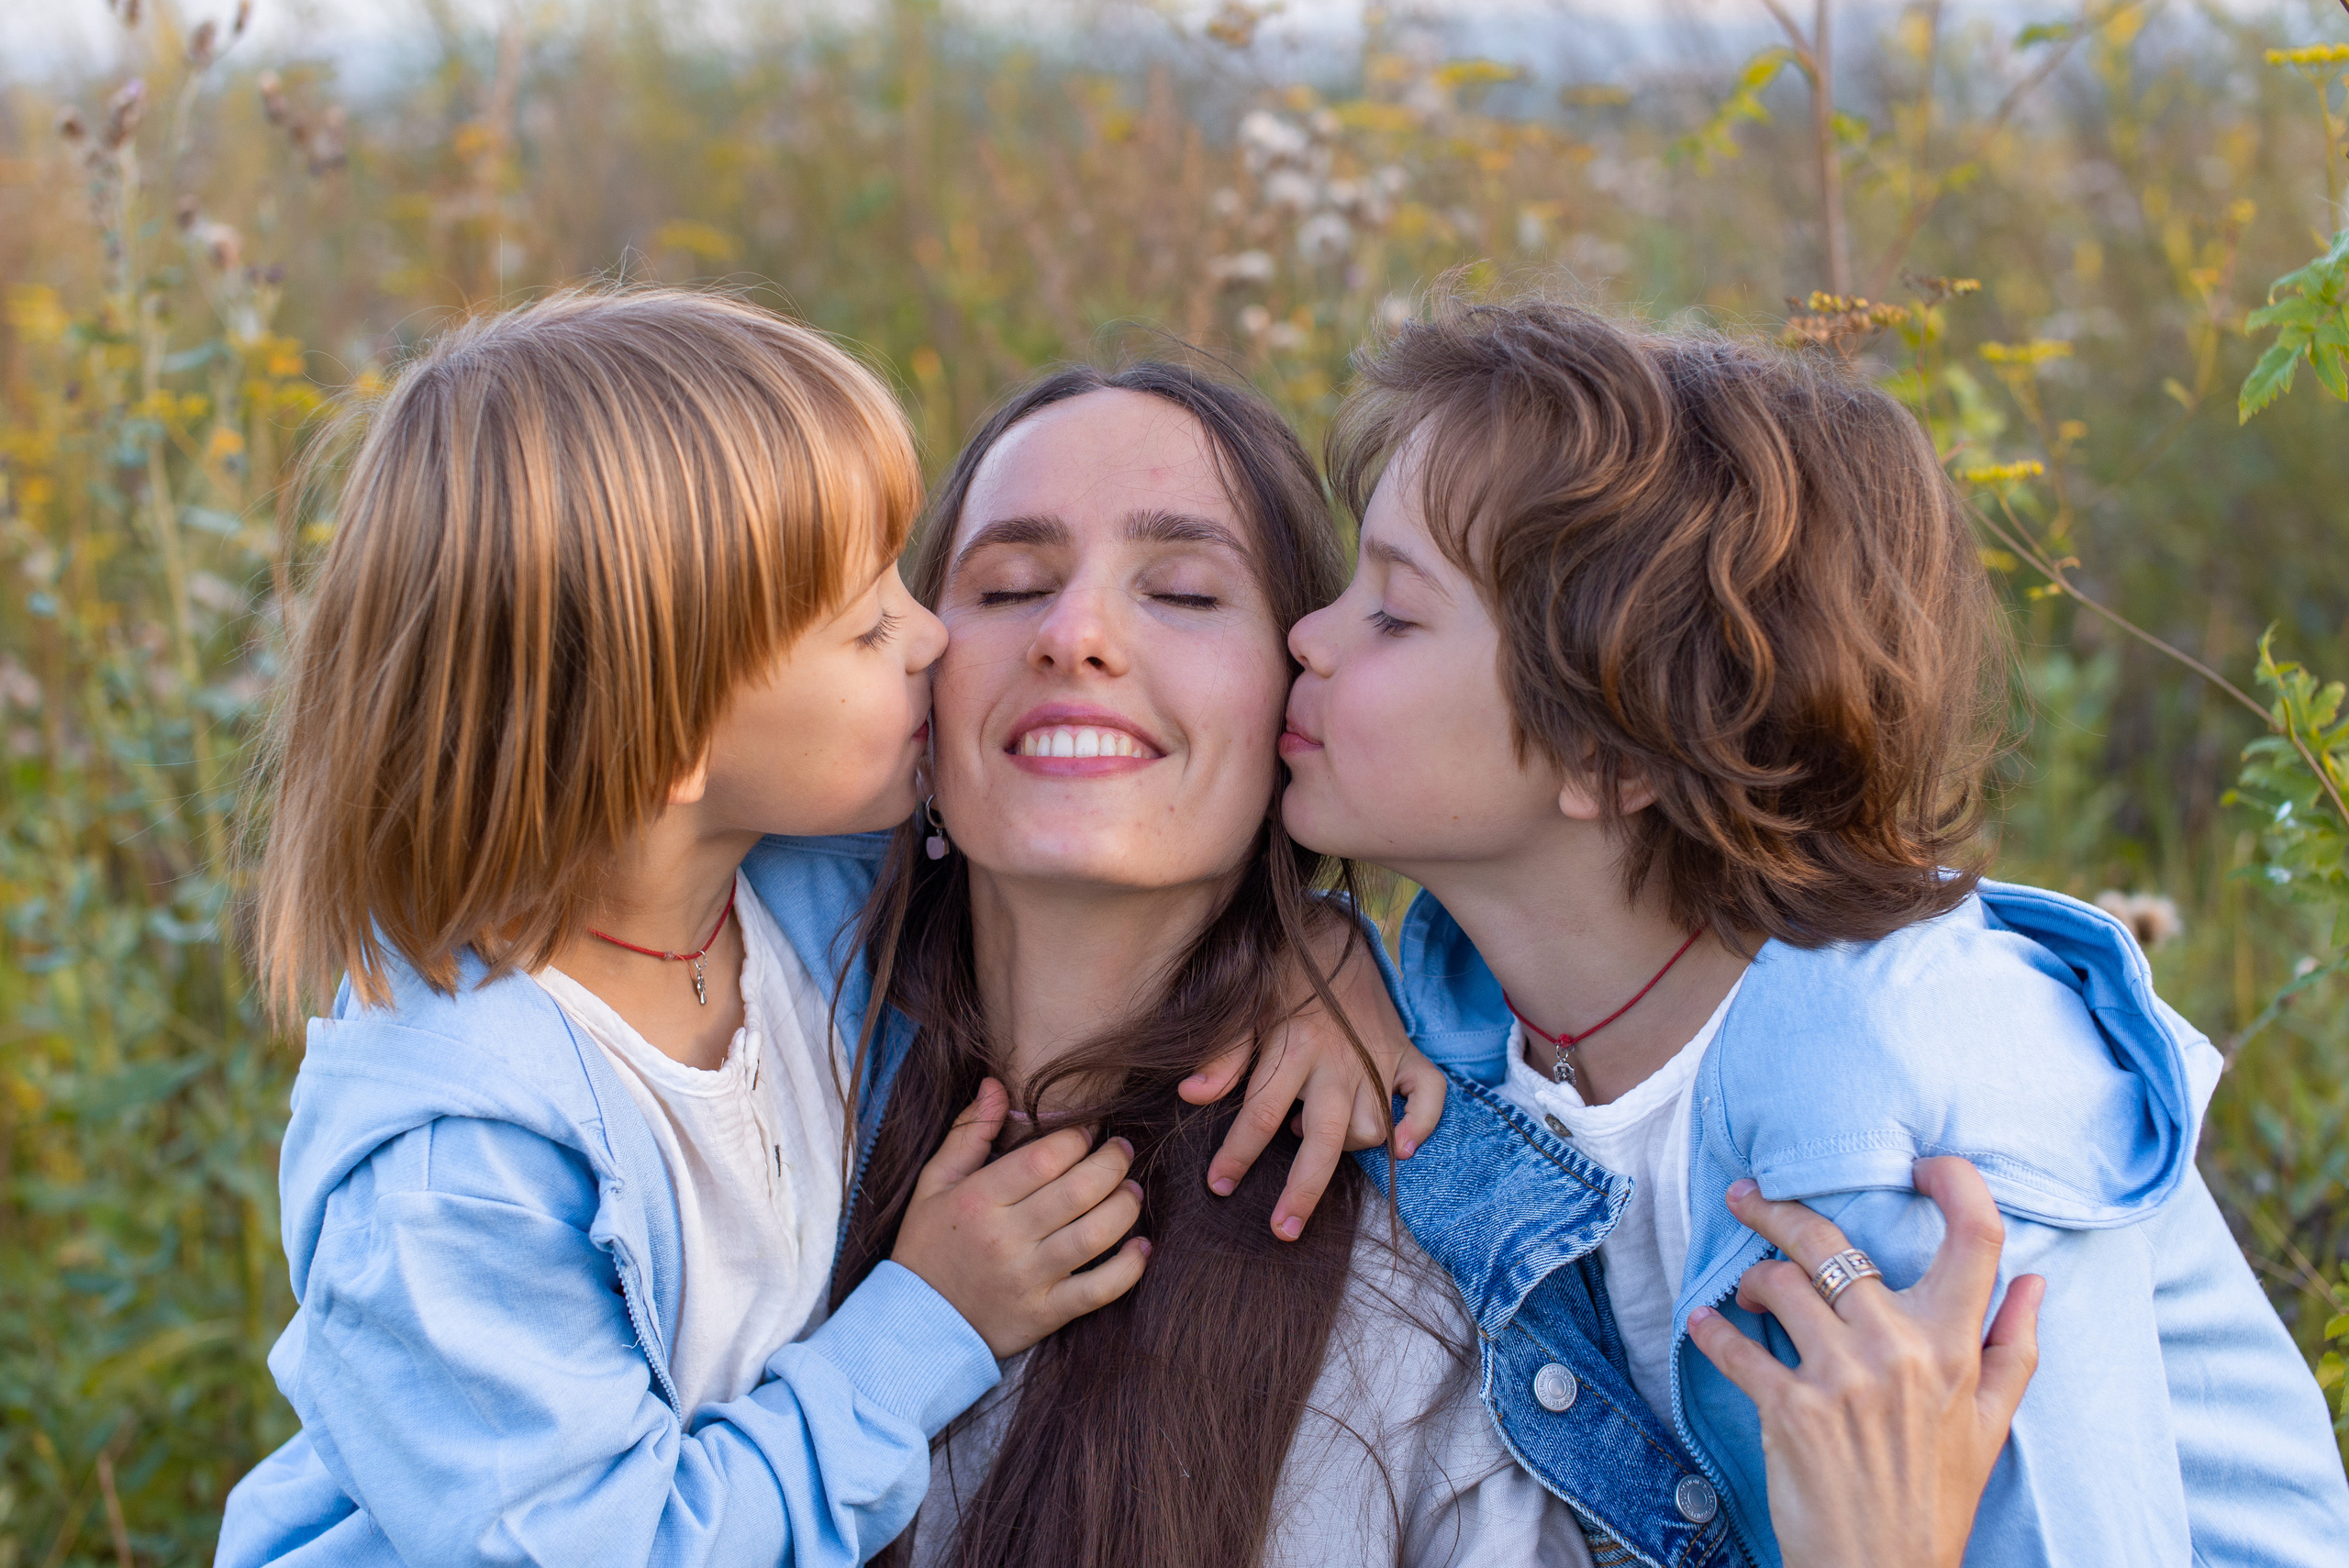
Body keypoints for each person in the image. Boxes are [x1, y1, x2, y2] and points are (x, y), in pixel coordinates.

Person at [748, 359, 2042, 1568]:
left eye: (1188, 594)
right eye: (1010, 582)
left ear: (1288, 719)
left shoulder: (1450, 1267)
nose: (1074, 632)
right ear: (910, 679)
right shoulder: (743, 1063)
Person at [1277, 296, 2349, 1566]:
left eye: (1393, 612)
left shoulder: (1898, 1116)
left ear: (1608, 751)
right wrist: (1287, 957)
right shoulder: (1456, 1003)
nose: (1308, 634)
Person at [220, 289, 1176, 1567]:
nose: (932, 635)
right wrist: (928, 1323)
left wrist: (1311, 965)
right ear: (666, 736)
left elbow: (1107, 869)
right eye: (866, 622)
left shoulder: (802, 882)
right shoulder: (456, 1169)